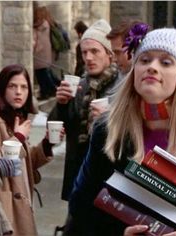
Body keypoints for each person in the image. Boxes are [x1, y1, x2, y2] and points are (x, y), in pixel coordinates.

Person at [64, 26, 176, 236]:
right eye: (144, 60)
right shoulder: (108, 129)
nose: (152, 67)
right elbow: (81, 206)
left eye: (165, 62)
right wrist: (121, 233)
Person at [48, 19, 119, 202]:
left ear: (109, 54)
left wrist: (108, 119)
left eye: (94, 51)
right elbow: (56, 126)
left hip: (109, 176)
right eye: (84, 52)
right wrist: (62, 103)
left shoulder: (122, 87)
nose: (88, 57)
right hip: (78, 175)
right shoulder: (79, 85)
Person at [0, 64, 63, 236]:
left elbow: (25, 162)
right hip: (6, 208)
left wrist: (47, 144)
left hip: (22, 203)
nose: (19, 92)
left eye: (24, 87)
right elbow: (1, 162)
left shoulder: (16, 118)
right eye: (12, 86)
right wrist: (18, 138)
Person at [33, 6, 60, 100]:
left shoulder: (39, 25)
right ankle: (51, 90)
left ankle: (48, 91)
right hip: (46, 53)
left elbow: (35, 41)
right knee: (45, 73)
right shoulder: (47, 23)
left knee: (41, 75)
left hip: (40, 53)